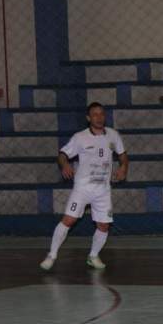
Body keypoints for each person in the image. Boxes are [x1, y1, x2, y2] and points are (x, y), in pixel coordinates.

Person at [39, 103, 128, 272]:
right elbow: (62, 154)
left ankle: (93, 256)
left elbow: (123, 156)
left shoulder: (113, 135)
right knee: (69, 220)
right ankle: (52, 255)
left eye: (101, 114)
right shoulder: (80, 137)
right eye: (95, 114)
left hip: (103, 189)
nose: (99, 117)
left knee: (104, 225)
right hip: (83, 188)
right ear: (88, 118)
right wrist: (65, 164)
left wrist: (124, 167)